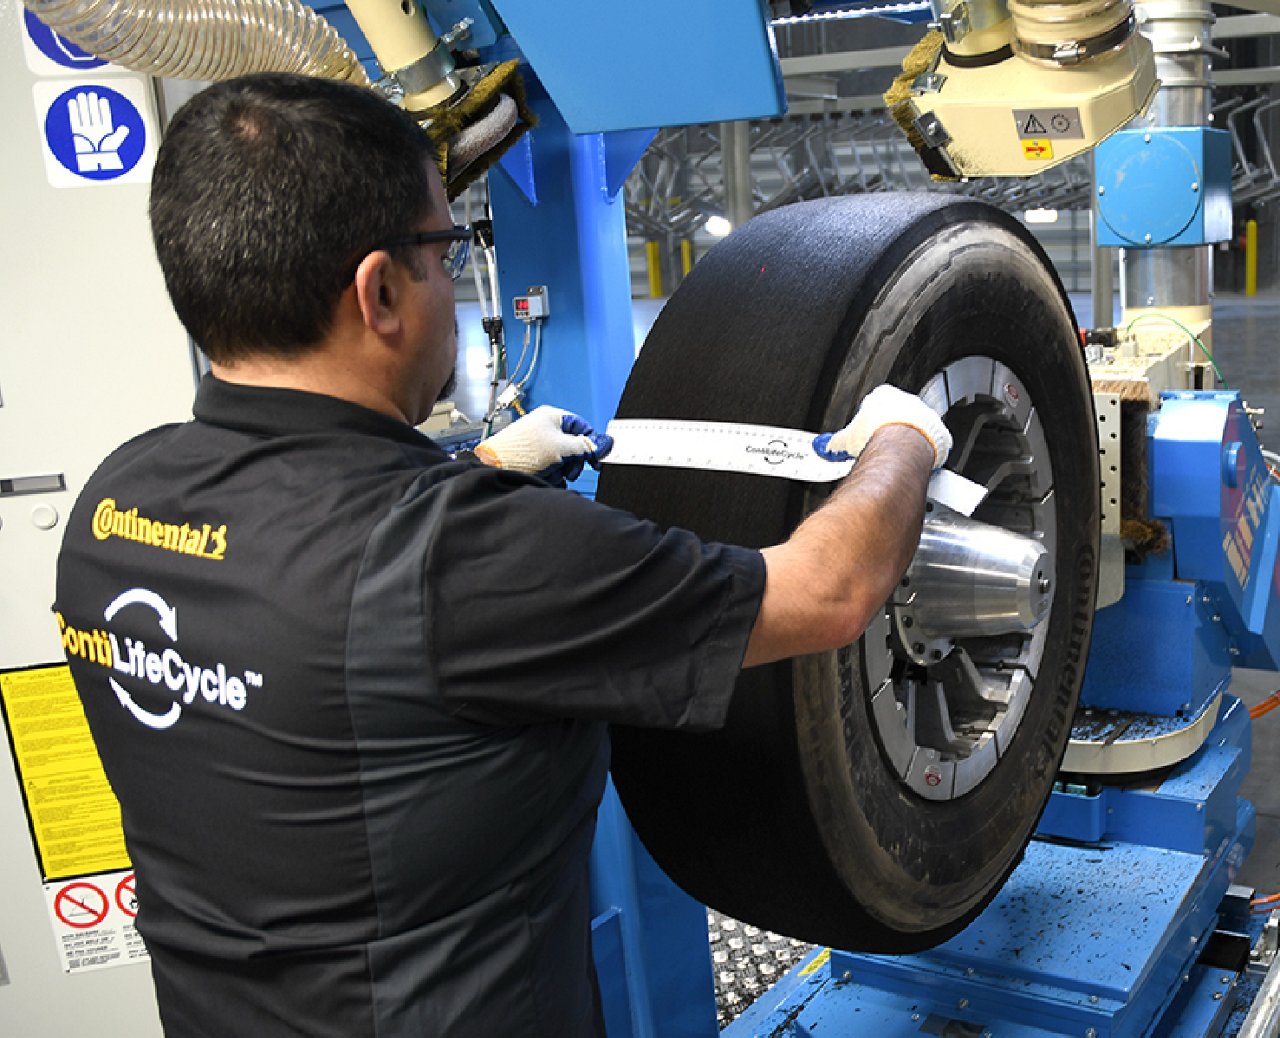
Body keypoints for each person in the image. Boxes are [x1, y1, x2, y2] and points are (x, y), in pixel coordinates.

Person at [54, 73, 949, 1038]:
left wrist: (478, 468)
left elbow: (318, 582)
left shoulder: (116, 500)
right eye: (447, 249)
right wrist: (903, 440)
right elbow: (831, 591)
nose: (451, 276)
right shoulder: (466, 558)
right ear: (381, 290)